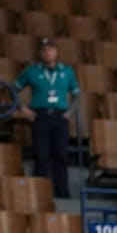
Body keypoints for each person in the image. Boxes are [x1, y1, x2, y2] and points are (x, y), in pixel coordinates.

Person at [13, 38, 80, 199]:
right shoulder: (32, 71)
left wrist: (70, 112)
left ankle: (62, 192)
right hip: (40, 115)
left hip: (59, 116)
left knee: (61, 155)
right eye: (43, 50)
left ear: (56, 51)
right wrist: (23, 108)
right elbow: (13, 88)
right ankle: (39, 194)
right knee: (41, 155)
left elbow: (77, 95)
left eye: (50, 49)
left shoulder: (67, 71)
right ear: (39, 53)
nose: (47, 52)